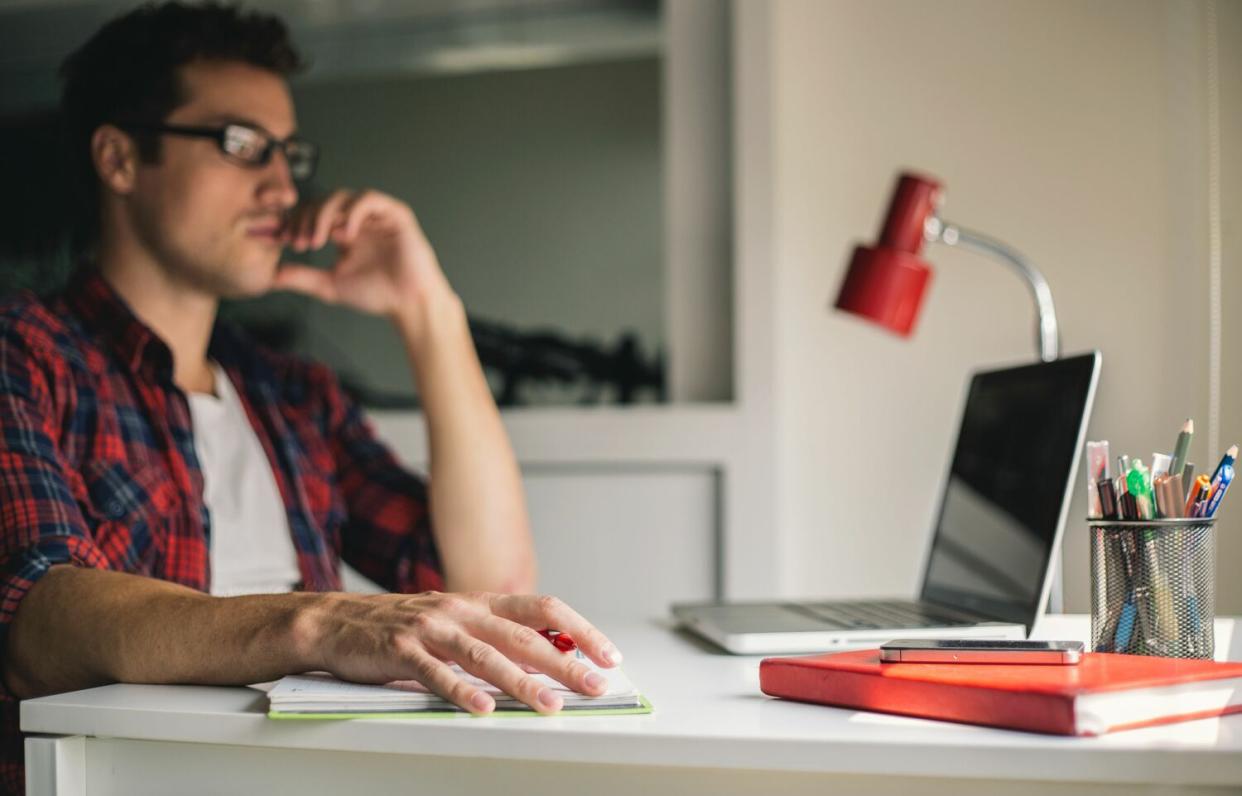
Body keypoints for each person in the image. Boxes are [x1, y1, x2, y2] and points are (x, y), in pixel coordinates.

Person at [0, 3, 621, 791]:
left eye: (288, 153)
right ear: (120, 158)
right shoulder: (24, 353)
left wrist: (428, 311)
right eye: (240, 145)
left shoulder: (291, 393)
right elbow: (37, 620)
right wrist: (320, 622)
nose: (281, 184)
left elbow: (488, 578)